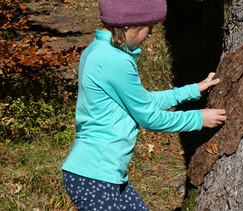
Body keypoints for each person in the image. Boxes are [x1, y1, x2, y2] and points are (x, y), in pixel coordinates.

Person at [61, 0, 227, 210]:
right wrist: (198, 118)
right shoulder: (115, 61)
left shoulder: (97, 50)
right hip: (96, 176)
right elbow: (150, 118)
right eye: (149, 27)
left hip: (100, 173)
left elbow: (143, 101)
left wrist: (192, 90)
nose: (149, 35)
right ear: (130, 25)